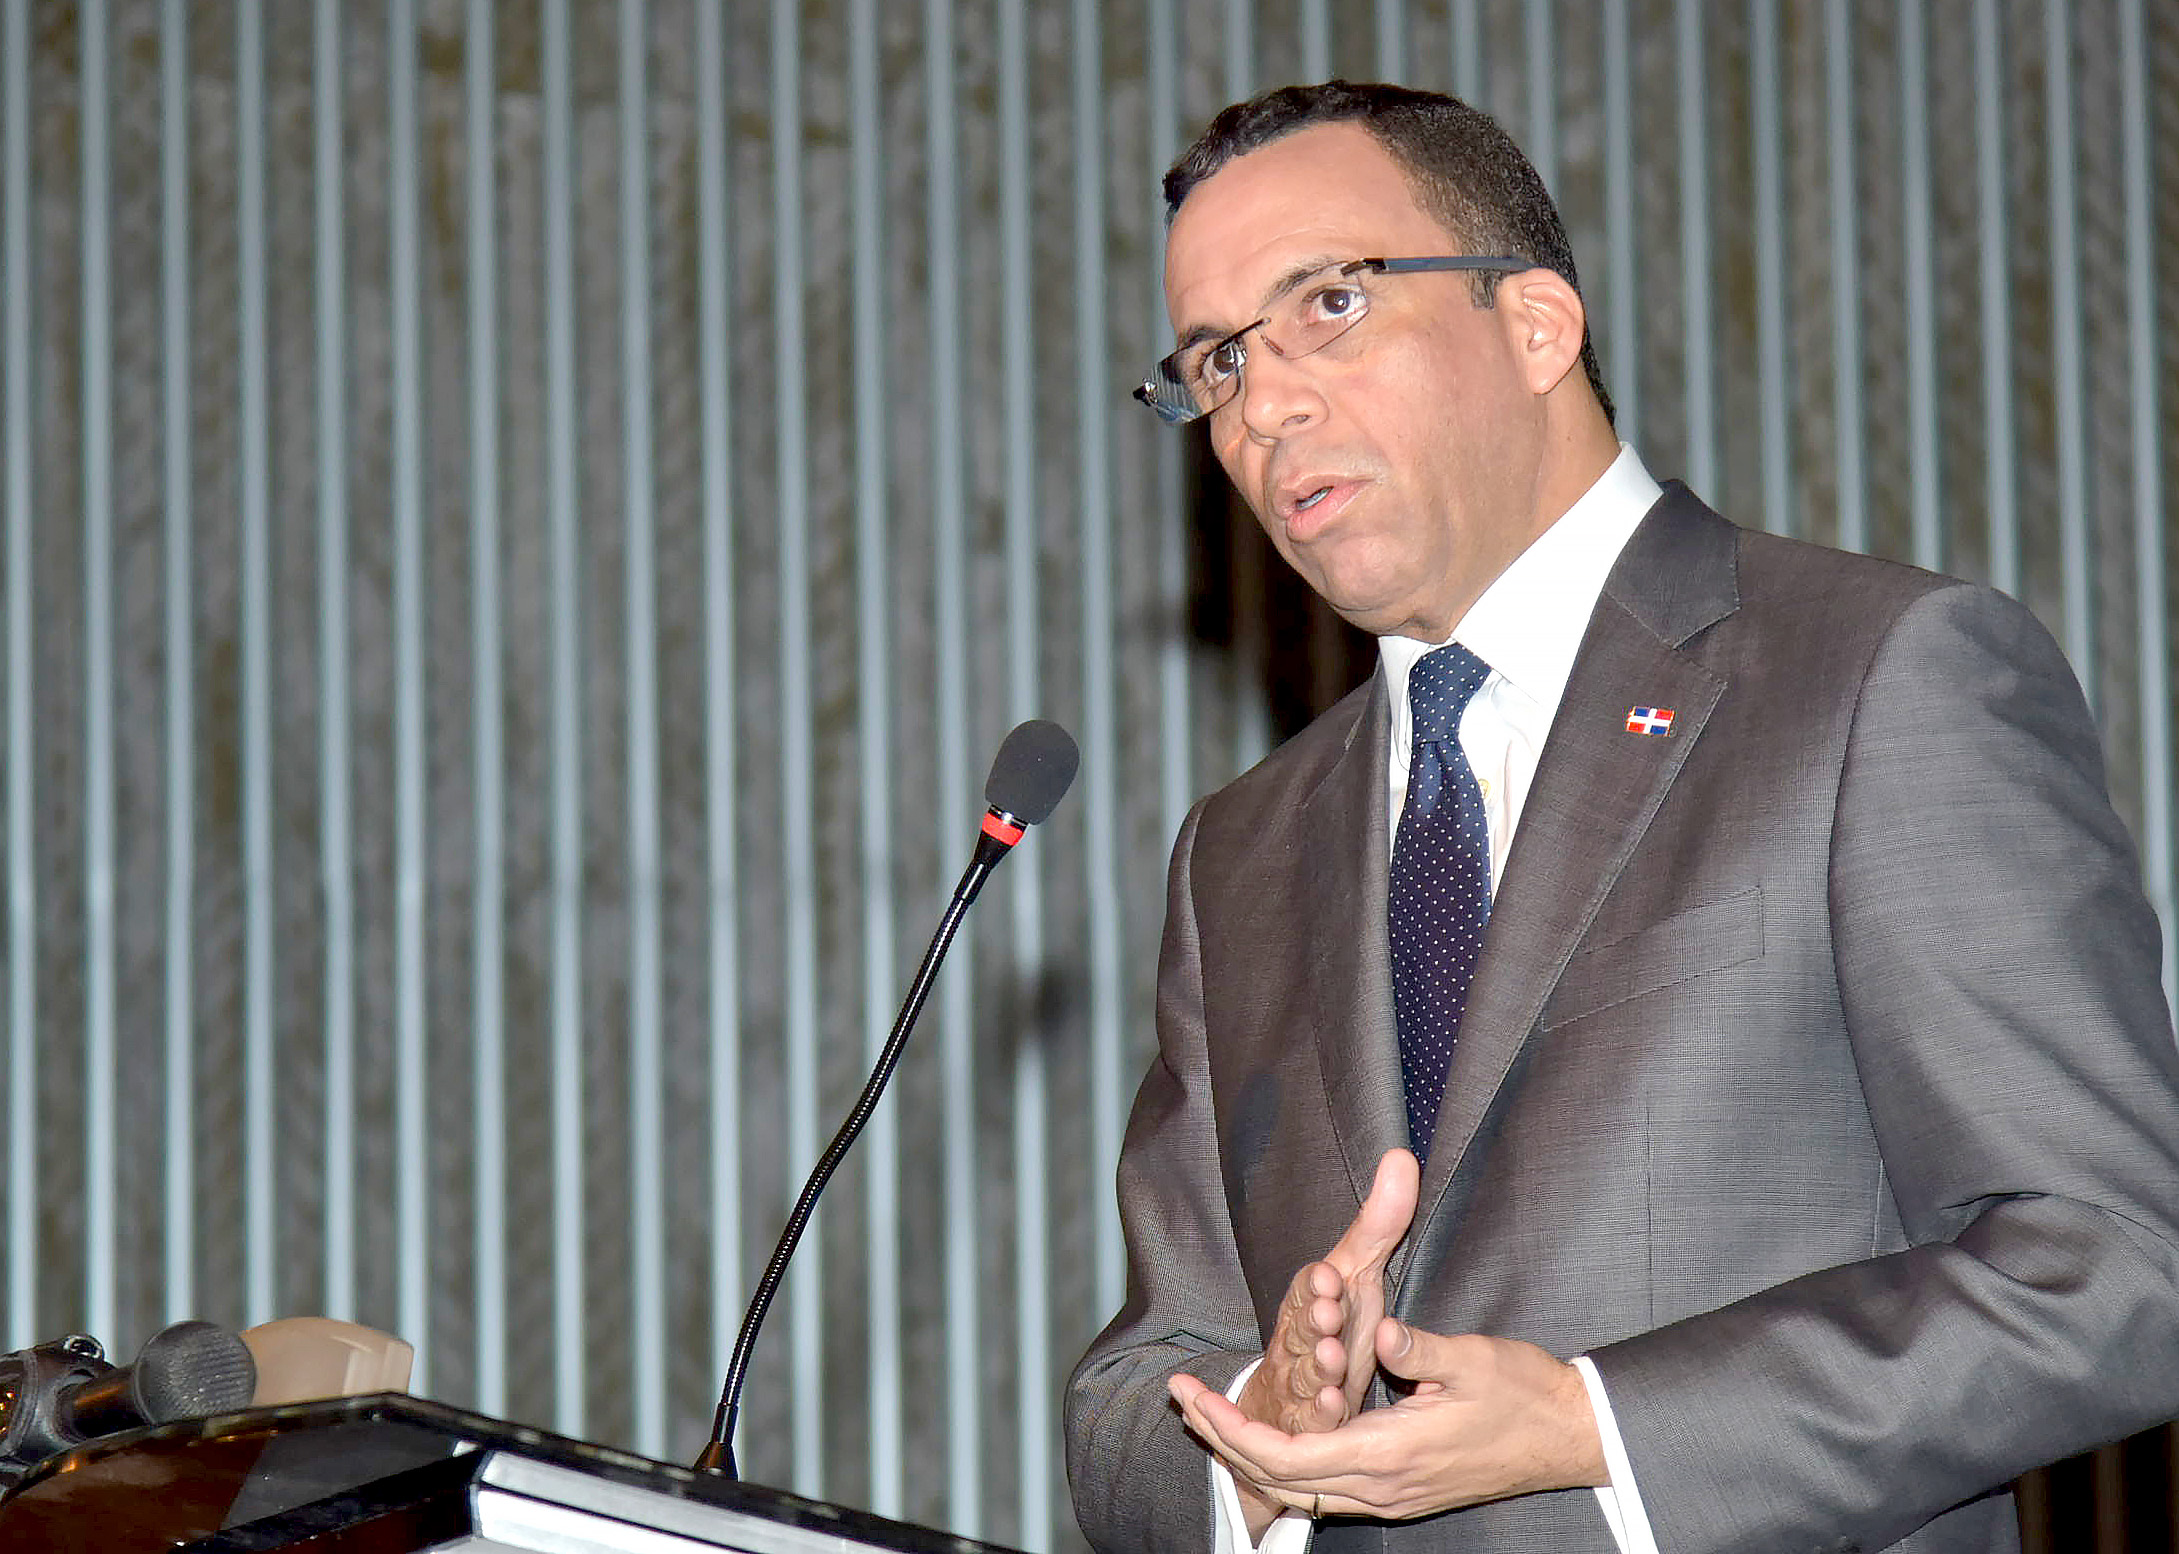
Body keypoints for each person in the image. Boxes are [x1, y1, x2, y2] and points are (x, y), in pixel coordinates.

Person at [1064, 80, 2179, 1554]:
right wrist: (1259, 1442)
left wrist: (1602, 1426)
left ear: (1536, 324)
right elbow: (1138, 1380)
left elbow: (2118, 1259)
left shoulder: (1873, 680)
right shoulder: (1244, 850)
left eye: (1328, 302)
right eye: (1215, 359)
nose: (1263, 402)